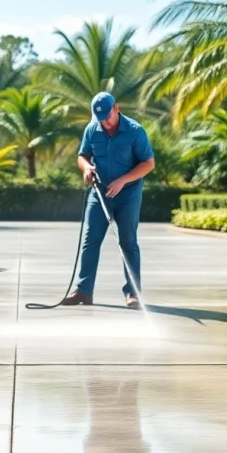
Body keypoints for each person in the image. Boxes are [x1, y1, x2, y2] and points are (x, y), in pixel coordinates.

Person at [62, 92, 155, 309]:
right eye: (100, 118)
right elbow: (83, 155)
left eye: (107, 117)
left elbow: (148, 163)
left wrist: (123, 180)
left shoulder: (135, 131)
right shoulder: (92, 129)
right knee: (90, 240)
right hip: (100, 192)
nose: (104, 122)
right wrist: (87, 168)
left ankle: (133, 293)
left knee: (128, 242)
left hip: (128, 194)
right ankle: (84, 291)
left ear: (116, 108)